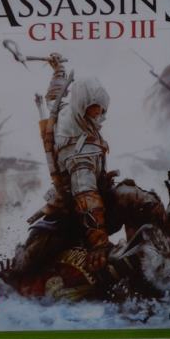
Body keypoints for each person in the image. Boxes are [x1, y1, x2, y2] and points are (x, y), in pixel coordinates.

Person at [53, 77, 113, 271]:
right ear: (81, 105)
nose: (98, 111)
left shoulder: (80, 119)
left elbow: (55, 98)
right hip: (74, 211)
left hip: (99, 199)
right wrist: (99, 242)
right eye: (93, 106)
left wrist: (58, 72)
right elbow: (85, 194)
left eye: (101, 107)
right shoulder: (75, 143)